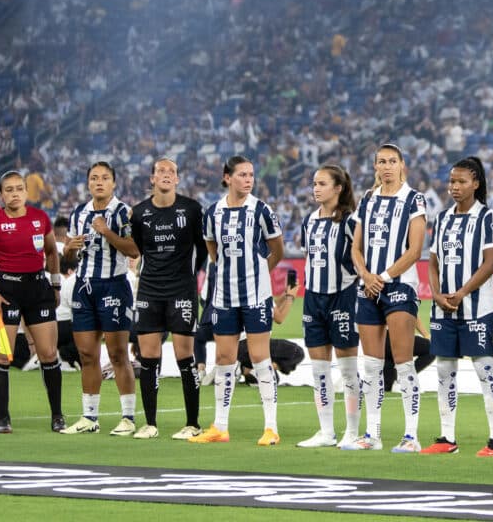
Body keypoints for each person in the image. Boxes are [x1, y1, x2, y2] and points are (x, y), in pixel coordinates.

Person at [190, 156, 284, 445]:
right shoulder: (213, 212)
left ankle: (271, 427)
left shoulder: (261, 210)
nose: (248, 179)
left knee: (259, 357)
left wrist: (260, 274)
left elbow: (277, 249)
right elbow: (210, 246)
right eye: (242, 174)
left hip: (256, 296)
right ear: (227, 177)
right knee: (224, 358)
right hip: (224, 296)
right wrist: (224, 268)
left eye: (251, 174)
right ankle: (220, 426)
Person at [345, 143, 428, 453]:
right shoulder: (367, 200)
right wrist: (366, 276)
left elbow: (415, 249)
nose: (387, 166)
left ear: (403, 165)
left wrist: (384, 277)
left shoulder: (413, 199)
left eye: (393, 161)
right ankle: (372, 434)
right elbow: (356, 247)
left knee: (404, 362)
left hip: (400, 286)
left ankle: (411, 436)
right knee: (371, 366)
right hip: (368, 287)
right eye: (382, 161)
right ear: (375, 167)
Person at [0, 170, 65, 433]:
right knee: (2, 355)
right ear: (1, 195)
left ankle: (57, 416)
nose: (14, 193)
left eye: (19, 188)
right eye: (8, 190)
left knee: (47, 353)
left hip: (38, 292)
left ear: (26, 191)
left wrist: (55, 283)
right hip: (7, 294)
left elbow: (51, 253)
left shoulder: (39, 218)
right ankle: (2, 418)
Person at [422, 157, 493, 457]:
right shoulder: (442, 218)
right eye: (451, 181)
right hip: (443, 308)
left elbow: (491, 263)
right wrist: (437, 293)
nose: (454, 187)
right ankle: (447, 437)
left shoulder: (486, 218)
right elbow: (432, 261)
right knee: (444, 371)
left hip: (477, 308)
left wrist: (461, 292)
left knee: (485, 370)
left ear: (476, 184)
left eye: (461, 182)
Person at [59, 162, 140, 436]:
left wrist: (107, 231)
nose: (99, 182)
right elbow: (68, 259)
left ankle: (128, 417)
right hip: (83, 287)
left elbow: (134, 249)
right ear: (88, 183)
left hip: (113, 286)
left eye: (105, 178)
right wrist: (69, 249)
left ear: (114, 183)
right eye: (94, 178)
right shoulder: (79, 213)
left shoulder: (123, 212)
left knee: (118, 354)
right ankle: (89, 418)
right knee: (86, 354)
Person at [129, 158, 207, 440]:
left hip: (181, 290)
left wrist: (188, 276)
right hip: (149, 290)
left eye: (171, 171)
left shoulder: (192, 209)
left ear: (177, 179)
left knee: (184, 355)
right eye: (160, 170)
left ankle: (193, 423)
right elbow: (138, 247)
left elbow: (203, 248)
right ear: (152, 178)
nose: (165, 174)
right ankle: (150, 423)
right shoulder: (139, 212)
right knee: (148, 356)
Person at [295, 164, 363, 449]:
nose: (316, 188)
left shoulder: (350, 221)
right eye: (314, 183)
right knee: (319, 369)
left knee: (347, 369)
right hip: (314, 298)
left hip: (343, 297)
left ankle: (353, 430)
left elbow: (360, 259)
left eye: (322, 183)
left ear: (338, 188)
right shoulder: (309, 221)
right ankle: (326, 431)